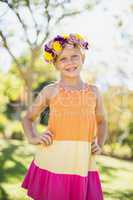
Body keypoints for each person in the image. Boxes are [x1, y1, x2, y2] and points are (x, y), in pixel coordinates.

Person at [21, 33, 108, 200]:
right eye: (63, 59)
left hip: (81, 161)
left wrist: (100, 143)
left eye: (74, 56)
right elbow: (28, 118)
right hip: (54, 159)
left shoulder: (94, 91)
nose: (70, 62)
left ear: (82, 57)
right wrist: (33, 137)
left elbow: (102, 122)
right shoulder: (50, 90)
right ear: (55, 64)